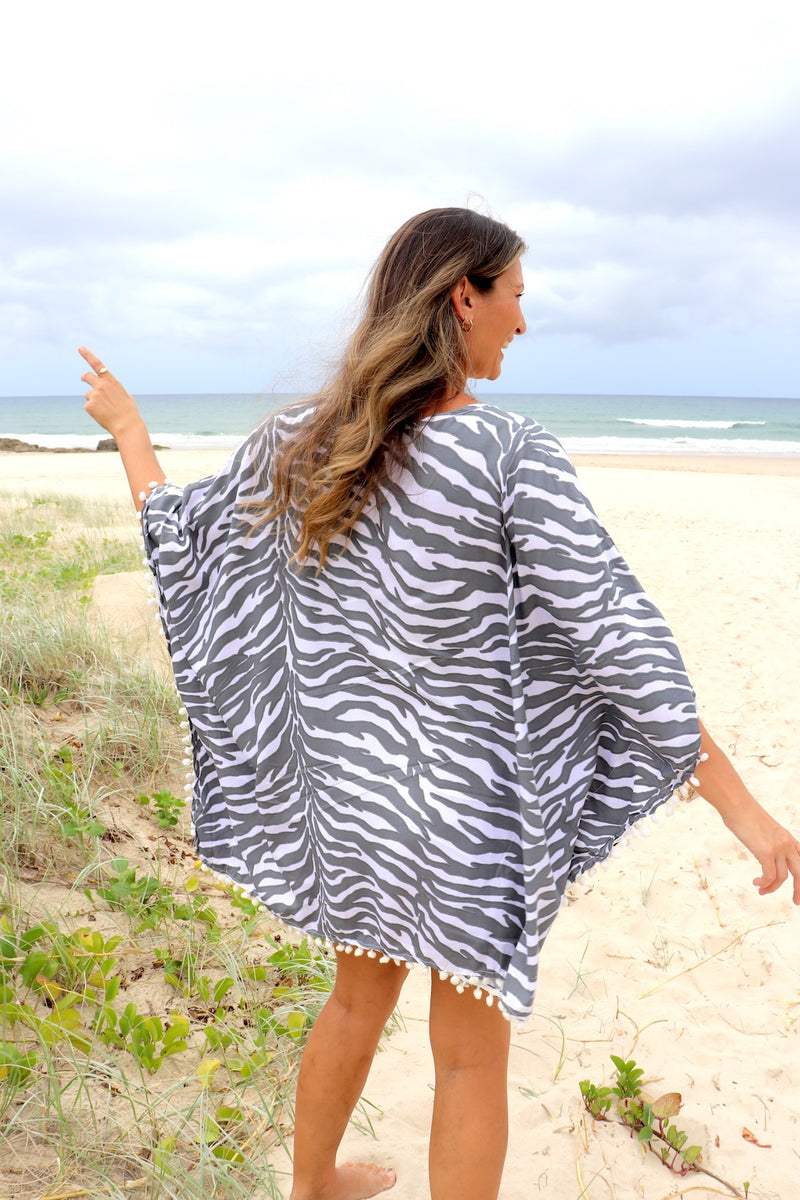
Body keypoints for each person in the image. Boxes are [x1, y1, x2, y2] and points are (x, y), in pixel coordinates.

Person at [79, 207, 800, 1200]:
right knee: (467, 1057)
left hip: (356, 806)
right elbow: (615, 643)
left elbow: (186, 546)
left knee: (353, 1004)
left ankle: (311, 1188)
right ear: (464, 295)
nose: (522, 322)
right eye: (515, 297)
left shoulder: (307, 440)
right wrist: (743, 809)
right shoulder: (508, 454)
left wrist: (130, 432)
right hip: (464, 821)